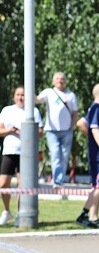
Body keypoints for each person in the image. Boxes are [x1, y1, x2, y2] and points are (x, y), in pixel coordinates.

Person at [0, 86, 42, 226]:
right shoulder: (7, 110)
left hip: (26, 153)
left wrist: (26, 130)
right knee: (3, 183)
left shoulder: (33, 111)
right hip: (9, 151)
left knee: (22, 185)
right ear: (14, 96)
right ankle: (6, 210)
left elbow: (40, 132)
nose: (20, 97)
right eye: (18, 95)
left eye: (23, 95)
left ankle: (21, 213)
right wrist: (10, 130)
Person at [36, 72, 79, 186]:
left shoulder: (71, 95)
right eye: (57, 79)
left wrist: (72, 127)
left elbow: (75, 113)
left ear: (65, 81)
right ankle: (57, 181)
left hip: (67, 131)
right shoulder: (48, 92)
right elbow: (37, 100)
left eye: (62, 79)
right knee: (55, 155)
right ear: (53, 81)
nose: (60, 81)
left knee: (64, 156)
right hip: (52, 131)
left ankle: (60, 179)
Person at [74, 84, 99, 229]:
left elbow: (82, 123)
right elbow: (95, 129)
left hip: (95, 154)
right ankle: (84, 215)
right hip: (97, 156)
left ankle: (92, 217)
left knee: (96, 187)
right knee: (97, 187)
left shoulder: (93, 108)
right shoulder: (96, 108)